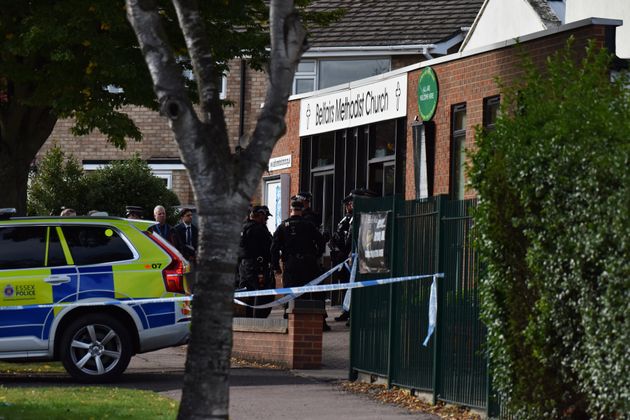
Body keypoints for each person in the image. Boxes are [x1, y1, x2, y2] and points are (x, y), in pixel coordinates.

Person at [271, 199, 330, 331]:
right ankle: (318, 324)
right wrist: (316, 255)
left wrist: (276, 266)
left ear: (290, 209)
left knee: (290, 293)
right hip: (308, 263)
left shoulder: (282, 226)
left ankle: (289, 324)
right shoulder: (308, 225)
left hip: (291, 264)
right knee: (312, 292)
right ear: (301, 210)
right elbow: (321, 242)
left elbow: (274, 248)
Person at [237, 205, 274, 318]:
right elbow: (269, 247)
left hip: (243, 266)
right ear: (260, 215)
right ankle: (256, 320)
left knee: (246, 292)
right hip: (257, 265)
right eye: (265, 217)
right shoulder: (259, 229)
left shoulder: (242, 227)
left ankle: (246, 318)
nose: (266, 220)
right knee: (259, 292)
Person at [329, 193, 354, 322]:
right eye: (347, 204)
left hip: (350, 257)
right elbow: (338, 234)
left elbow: (351, 239)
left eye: (349, 203)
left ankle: (352, 313)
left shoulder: (356, 218)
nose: (347, 206)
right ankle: (346, 310)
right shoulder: (345, 219)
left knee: (352, 285)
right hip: (341, 257)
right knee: (344, 284)